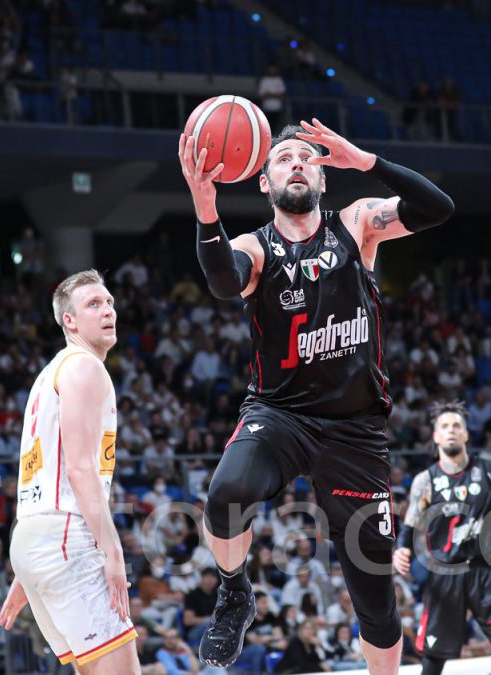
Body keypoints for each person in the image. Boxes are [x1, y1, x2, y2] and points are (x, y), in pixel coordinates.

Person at [178, 118, 454, 673]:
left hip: (354, 431)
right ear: (264, 181)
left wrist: (365, 161)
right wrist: (205, 205)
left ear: (323, 177)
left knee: (375, 599)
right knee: (226, 493)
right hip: (280, 415)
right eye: (284, 158)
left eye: (307, 156)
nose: (297, 163)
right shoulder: (253, 248)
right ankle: (234, 591)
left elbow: (437, 208)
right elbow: (224, 282)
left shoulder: (357, 225)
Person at [0, 270, 139, 674]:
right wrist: (112, 552)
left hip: (32, 540)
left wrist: (26, 574)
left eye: (109, 302)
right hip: (65, 539)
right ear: (69, 321)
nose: (108, 310)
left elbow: (41, 472)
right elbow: (78, 469)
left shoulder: (48, 375)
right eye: (94, 304)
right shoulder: (85, 367)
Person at [392, 400, 491, 675]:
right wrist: (401, 548)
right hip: (445, 575)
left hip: (488, 573)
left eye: (457, 425)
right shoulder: (425, 480)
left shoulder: (490, 471)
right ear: (436, 436)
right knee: (433, 661)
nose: (451, 430)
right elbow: (409, 525)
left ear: (466, 434)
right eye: (445, 426)